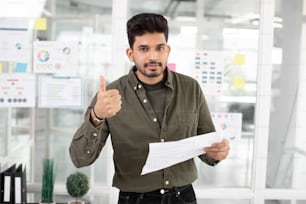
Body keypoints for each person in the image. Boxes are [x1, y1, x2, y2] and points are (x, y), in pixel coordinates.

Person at [69, 13, 230, 204]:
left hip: (183, 197)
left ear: (167, 50)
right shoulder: (109, 96)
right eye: (144, 49)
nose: (153, 56)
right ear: (131, 53)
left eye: (159, 48)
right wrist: (97, 116)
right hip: (135, 199)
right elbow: (80, 159)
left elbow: (206, 146)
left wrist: (217, 152)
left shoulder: (190, 88)